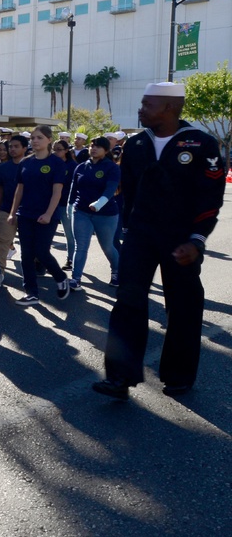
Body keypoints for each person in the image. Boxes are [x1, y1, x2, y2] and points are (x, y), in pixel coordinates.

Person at [93, 82, 226, 400]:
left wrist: (196, 241)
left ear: (169, 107)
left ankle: (178, 376)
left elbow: (211, 197)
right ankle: (120, 378)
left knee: (183, 307)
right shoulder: (136, 145)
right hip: (141, 237)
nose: (140, 109)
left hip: (183, 240)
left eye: (146, 104)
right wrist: (129, 229)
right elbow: (129, 191)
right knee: (127, 302)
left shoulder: (202, 144)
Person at [7, 125, 71, 306]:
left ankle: (60, 277)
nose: (35, 141)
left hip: (46, 215)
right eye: (33, 137)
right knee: (26, 255)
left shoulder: (56, 163)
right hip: (26, 214)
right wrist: (13, 213)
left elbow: (57, 192)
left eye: (39, 137)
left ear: (49, 140)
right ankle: (31, 292)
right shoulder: (25, 162)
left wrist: (49, 214)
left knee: (41, 252)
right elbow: (19, 190)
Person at [68, 137, 120, 291]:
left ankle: (116, 271)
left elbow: (111, 189)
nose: (94, 149)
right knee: (81, 246)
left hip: (106, 214)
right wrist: (70, 207)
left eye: (98, 146)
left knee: (107, 247)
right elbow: (73, 189)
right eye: (92, 146)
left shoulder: (112, 168)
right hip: (81, 212)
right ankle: (75, 278)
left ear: (106, 150)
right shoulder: (81, 167)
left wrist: (99, 203)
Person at [0, 135, 28, 282]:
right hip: (6, 210)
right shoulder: (3, 167)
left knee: (29, 245)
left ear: (24, 148)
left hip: (28, 211)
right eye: (11, 147)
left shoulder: (32, 164)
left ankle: (30, 274)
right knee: (3, 241)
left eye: (16, 146)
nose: (12, 149)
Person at [52, 139, 77, 270]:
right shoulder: (51, 163)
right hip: (51, 203)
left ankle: (71, 259)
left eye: (59, 149)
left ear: (66, 151)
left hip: (65, 204)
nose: (56, 152)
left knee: (69, 234)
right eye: (54, 149)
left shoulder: (72, 166)